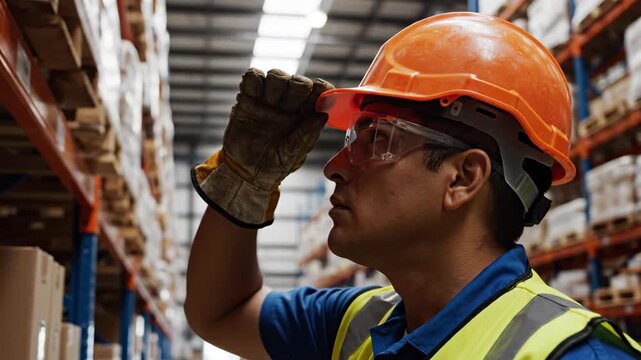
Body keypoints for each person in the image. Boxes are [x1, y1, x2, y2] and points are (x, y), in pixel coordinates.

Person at [184, 12, 641, 359]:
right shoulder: (359, 322)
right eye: (351, 140)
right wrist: (245, 186)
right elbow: (220, 311)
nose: (335, 168)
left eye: (377, 139)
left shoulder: (572, 353)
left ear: (462, 179)